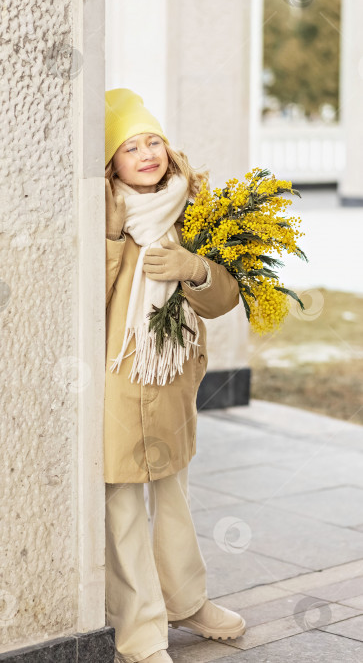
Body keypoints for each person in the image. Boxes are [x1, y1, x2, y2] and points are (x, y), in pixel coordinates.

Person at [104, 88, 246, 663]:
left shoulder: (196, 206)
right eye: (130, 145)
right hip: (120, 375)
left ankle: (187, 601)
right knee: (123, 506)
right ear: (111, 162)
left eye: (154, 140)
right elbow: (80, 298)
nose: (146, 153)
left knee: (174, 494)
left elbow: (225, 298)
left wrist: (196, 268)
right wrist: (114, 238)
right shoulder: (105, 210)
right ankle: (138, 633)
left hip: (173, 377)